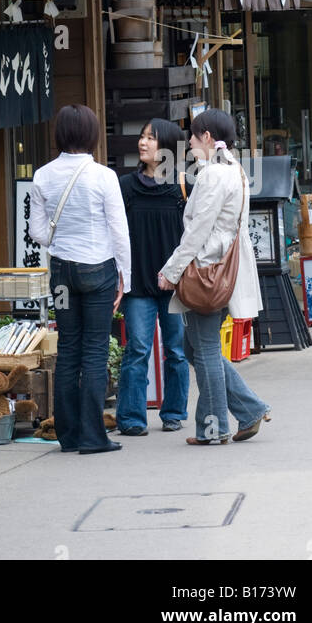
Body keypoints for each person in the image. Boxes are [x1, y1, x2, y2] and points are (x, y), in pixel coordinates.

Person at [158, 109, 270, 446]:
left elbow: (197, 232)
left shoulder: (212, 176)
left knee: (203, 350)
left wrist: (171, 271)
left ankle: (215, 426)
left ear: (207, 137)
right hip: (225, 271)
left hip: (207, 271)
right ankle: (248, 408)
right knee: (196, 348)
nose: (189, 144)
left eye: (193, 137)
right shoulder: (235, 170)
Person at [29, 104, 130, 455]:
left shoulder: (42, 176)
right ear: (91, 134)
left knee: (68, 348)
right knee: (95, 349)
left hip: (61, 271)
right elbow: (119, 231)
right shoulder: (104, 176)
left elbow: (38, 233)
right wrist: (124, 279)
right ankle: (92, 435)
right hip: (97, 270)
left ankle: (67, 434)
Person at [115, 119, 189, 437]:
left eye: (151, 138)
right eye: (142, 136)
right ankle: (131, 418)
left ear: (168, 148)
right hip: (138, 283)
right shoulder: (126, 187)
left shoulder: (182, 187)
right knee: (137, 350)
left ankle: (173, 412)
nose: (142, 143)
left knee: (176, 350)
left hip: (174, 284)